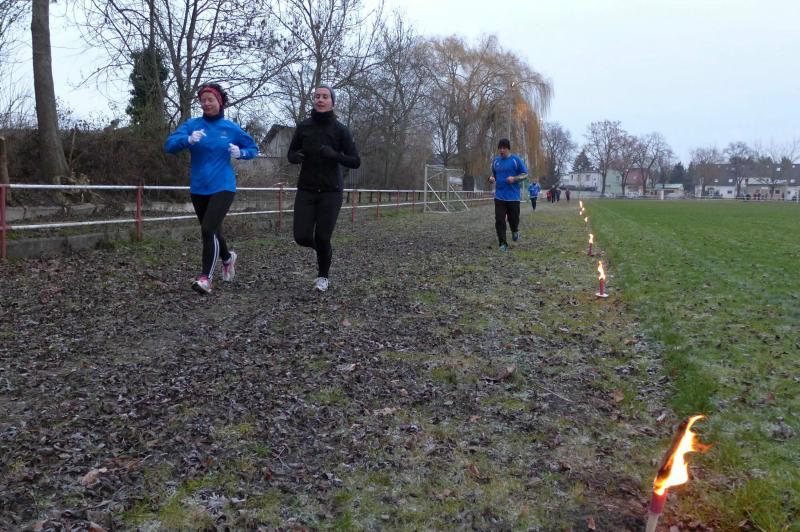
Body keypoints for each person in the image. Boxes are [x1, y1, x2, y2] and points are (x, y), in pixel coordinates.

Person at [165, 83, 258, 294]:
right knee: (213, 231)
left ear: (220, 102)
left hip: (223, 185)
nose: (206, 103)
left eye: (210, 100)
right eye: (203, 100)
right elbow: (169, 145)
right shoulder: (192, 124)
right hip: (199, 186)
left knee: (207, 230)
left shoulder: (230, 128)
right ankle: (227, 258)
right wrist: (187, 140)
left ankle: (205, 278)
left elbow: (253, 148)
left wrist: (241, 153)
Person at [287, 85, 360, 292]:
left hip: (331, 191)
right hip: (307, 188)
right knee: (301, 236)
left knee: (322, 236)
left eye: (325, 97)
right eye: (317, 96)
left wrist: (334, 155)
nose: (320, 99)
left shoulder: (340, 130)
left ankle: (323, 276)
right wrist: (295, 157)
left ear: (332, 102)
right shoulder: (303, 127)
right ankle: (324, 250)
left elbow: (355, 161)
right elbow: (290, 154)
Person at [488, 138, 527, 251]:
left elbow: (525, 174)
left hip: (513, 197)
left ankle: (515, 231)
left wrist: (514, 179)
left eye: (504, 148)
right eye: (500, 148)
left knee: (513, 220)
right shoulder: (496, 161)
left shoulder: (516, 160)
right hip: (499, 196)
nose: (501, 150)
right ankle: (503, 244)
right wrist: (491, 178)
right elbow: (494, 175)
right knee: (499, 220)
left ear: (508, 149)